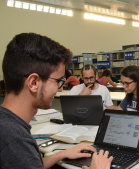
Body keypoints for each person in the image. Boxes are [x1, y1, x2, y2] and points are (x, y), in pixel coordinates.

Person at [0, 33, 112, 169]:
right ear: (34, 82)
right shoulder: (16, 141)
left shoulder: (7, 124)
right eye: (58, 81)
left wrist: (61, 154)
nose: (60, 89)